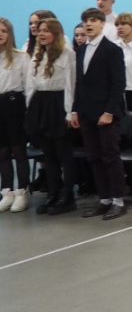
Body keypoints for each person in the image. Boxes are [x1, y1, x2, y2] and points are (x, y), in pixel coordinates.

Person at [72, 8, 128, 221]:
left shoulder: (111, 49)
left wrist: (109, 111)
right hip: (86, 111)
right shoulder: (81, 50)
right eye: (86, 20)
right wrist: (75, 110)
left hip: (105, 112)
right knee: (94, 156)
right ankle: (104, 198)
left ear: (102, 23)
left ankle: (118, 200)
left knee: (110, 156)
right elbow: (79, 83)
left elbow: (118, 84)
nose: (89, 24)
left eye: (93, 20)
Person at [24, 18, 77, 215]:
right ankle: (53, 194)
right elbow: (31, 83)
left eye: (46, 30)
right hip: (41, 102)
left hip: (58, 102)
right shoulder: (38, 54)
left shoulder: (67, 54)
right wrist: (31, 108)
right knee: (48, 154)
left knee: (64, 153)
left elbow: (71, 84)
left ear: (55, 33)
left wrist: (70, 111)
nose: (41, 34)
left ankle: (68, 196)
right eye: (40, 30)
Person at [0, 18, 31, 213]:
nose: (0, 34)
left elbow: (29, 86)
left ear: (9, 34)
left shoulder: (21, 57)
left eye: (3, 31)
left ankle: (22, 192)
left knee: (18, 150)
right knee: (2, 151)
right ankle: (7, 192)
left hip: (15, 105)